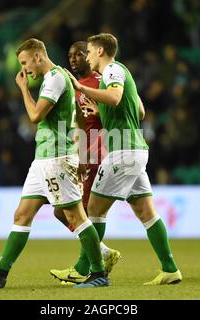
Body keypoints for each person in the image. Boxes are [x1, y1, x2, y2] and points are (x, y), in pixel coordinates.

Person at [0, 38, 108, 289]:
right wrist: (81, 150)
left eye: (25, 63)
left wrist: (23, 89)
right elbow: (79, 117)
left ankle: (98, 274)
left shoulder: (54, 79)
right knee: (22, 214)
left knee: (75, 216)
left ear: (38, 57)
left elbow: (34, 116)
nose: (24, 69)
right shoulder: (56, 78)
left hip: (56, 158)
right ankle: (0, 272)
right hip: (42, 159)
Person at [63, 33, 182, 285]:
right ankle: (170, 268)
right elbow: (139, 110)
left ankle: (89, 270)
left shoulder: (112, 71)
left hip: (122, 151)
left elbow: (116, 97)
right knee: (146, 211)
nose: (87, 56)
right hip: (135, 150)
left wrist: (82, 88)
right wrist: (102, 109)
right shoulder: (121, 72)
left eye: (90, 51)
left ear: (101, 51)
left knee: (94, 210)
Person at [50, 41, 121, 284]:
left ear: (88, 56)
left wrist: (100, 113)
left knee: (81, 211)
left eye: (79, 54)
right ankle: (101, 252)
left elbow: (120, 110)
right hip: (77, 155)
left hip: (95, 155)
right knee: (62, 211)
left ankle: (88, 268)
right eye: (69, 55)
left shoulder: (101, 81)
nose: (73, 58)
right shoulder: (69, 86)